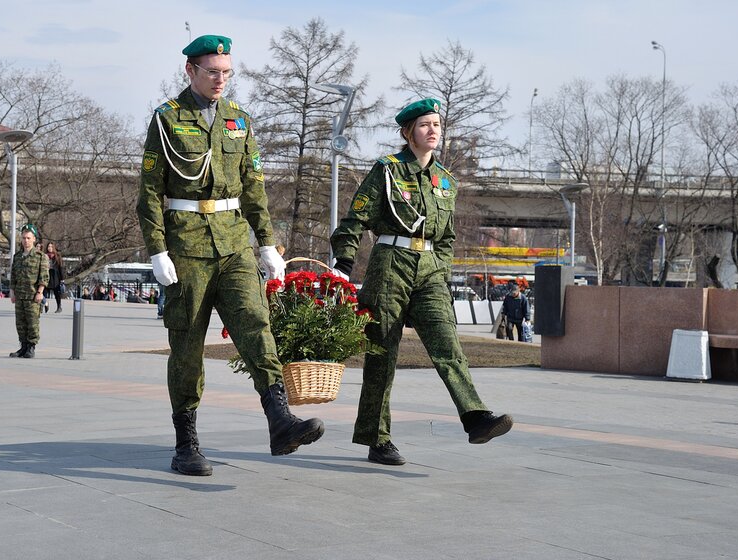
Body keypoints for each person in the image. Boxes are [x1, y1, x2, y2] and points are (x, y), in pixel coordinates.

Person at [136, 34, 324, 476]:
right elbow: (148, 192)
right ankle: (186, 443)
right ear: (191, 71)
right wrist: (157, 249)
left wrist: (266, 242)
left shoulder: (239, 119)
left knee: (256, 327)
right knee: (186, 347)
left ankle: (280, 421)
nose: (221, 80)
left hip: (235, 241)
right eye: (212, 72)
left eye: (226, 72)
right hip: (186, 246)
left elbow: (253, 186)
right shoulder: (167, 119)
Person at [330, 98, 513, 466]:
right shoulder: (386, 171)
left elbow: (447, 237)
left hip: (429, 271)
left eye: (437, 125)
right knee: (382, 355)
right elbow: (355, 220)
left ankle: (474, 417)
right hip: (390, 266)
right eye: (426, 125)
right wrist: (343, 263)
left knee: (447, 344)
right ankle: (377, 439)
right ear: (408, 132)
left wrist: (439, 268)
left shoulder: (446, 181)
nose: (434, 131)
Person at [9, 224, 49, 358]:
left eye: (28, 238)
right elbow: (13, 275)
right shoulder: (18, 256)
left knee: (32, 323)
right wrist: (12, 291)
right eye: (24, 238)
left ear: (34, 239)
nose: (26, 240)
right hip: (20, 294)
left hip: (33, 295)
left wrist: (40, 292)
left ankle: (31, 347)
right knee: (20, 323)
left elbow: (44, 276)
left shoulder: (40, 256)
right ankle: (23, 346)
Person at [44, 241, 65, 313]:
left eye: (51, 247)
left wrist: (62, 279)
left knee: (57, 293)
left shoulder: (57, 256)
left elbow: (60, 267)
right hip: (47, 276)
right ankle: (45, 304)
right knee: (44, 292)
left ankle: (59, 307)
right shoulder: (44, 256)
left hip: (55, 277)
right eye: (48, 247)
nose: (49, 248)